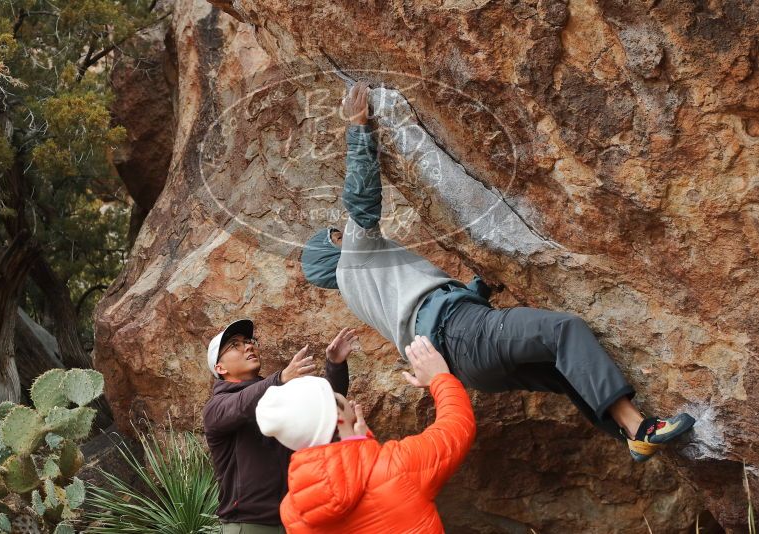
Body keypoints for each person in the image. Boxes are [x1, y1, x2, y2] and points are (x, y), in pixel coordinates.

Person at [300, 81, 695, 462]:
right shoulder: (355, 258)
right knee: (564, 332)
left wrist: (478, 288)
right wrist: (358, 128)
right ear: (332, 252)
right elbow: (361, 200)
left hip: (469, 364)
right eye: (336, 235)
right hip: (464, 333)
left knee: (564, 371)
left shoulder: (360, 291)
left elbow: (422, 304)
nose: (342, 232)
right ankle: (639, 429)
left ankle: (629, 435)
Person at [255, 335, 476, 533]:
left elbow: (350, 484)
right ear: (339, 416)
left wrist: (362, 442)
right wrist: (440, 378)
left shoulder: (292, 511)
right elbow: (457, 428)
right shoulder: (397, 466)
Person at [203, 319, 357, 533]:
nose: (248, 346)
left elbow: (322, 409)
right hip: (248, 525)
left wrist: (335, 365)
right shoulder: (216, 407)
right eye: (235, 345)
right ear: (220, 368)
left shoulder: (276, 394)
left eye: (249, 341)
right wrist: (281, 378)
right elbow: (241, 405)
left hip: (294, 521)